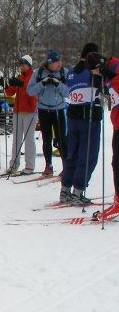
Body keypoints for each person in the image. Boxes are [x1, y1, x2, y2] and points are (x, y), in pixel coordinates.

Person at [60, 43, 104, 205]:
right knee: (88, 155)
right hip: (89, 118)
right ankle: (78, 191)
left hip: (73, 117)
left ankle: (65, 190)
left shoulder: (72, 71)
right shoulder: (92, 71)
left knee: (72, 154)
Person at [86, 52, 119, 220]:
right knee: (116, 163)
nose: (95, 74)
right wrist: (104, 88)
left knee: (117, 163)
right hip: (117, 122)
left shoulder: (115, 68)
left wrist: (111, 78)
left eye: (95, 72)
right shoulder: (108, 72)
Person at [27, 49, 69, 176]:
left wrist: (58, 84)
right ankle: (48, 166)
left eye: (60, 61)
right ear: (50, 63)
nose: (59, 64)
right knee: (46, 139)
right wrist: (42, 83)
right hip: (44, 110)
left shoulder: (64, 72)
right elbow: (30, 91)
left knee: (61, 140)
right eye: (57, 62)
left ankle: (66, 167)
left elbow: (68, 92)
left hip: (58, 110)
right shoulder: (39, 72)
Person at [5, 55, 38, 174]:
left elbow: (30, 91)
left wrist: (20, 84)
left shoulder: (33, 76)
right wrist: (6, 86)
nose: (21, 68)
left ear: (28, 65)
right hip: (18, 110)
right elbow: (10, 92)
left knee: (29, 138)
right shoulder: (20, 77)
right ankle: (13, 164)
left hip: (29, 110)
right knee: (16, 138)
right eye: (20, 66)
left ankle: (30, 165)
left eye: (23, 65)